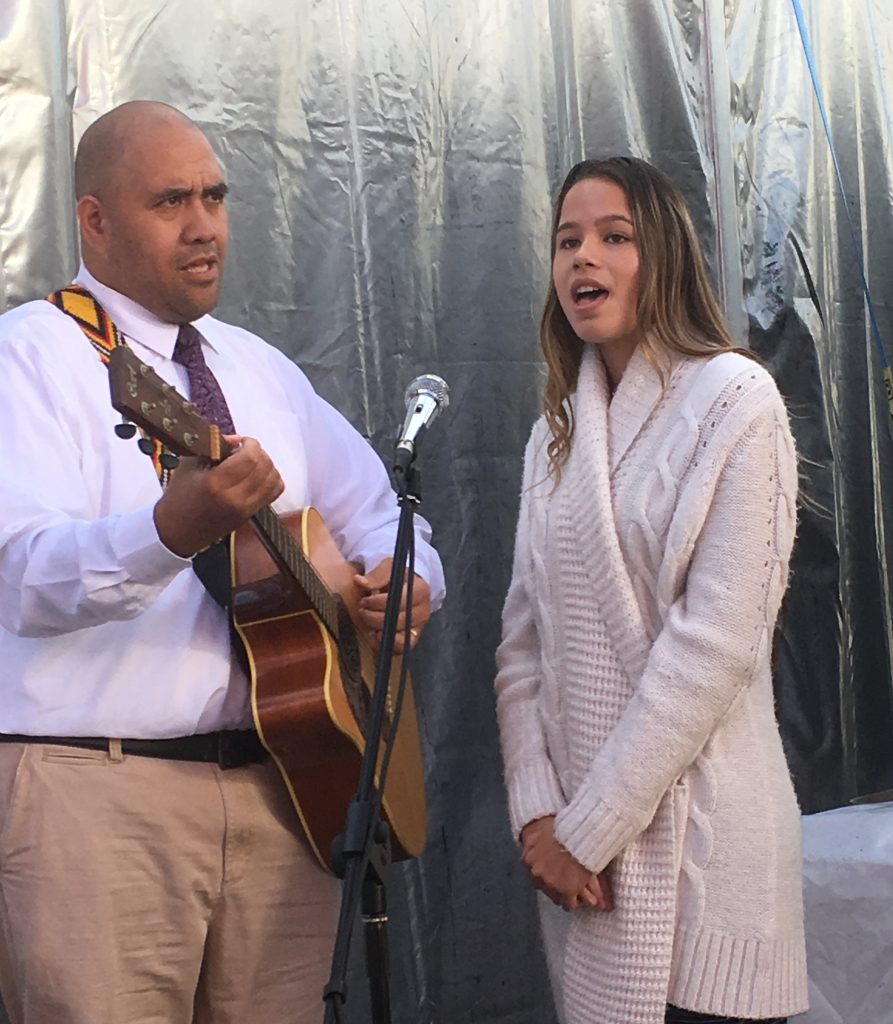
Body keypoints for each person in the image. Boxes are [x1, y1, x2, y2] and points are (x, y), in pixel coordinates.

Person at [0, 100, 445, 1024]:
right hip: (101, 796)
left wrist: (405, 584)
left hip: (288, 789)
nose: (204, 226)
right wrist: (171, 527)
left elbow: (381, 514)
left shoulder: (257, 368)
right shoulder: (29, 356)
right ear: (95, 220)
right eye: (171, 201)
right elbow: (23, 579)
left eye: (215, 196)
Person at [494, 157, 808, 1024]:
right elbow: (522, 643)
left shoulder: (735, 401)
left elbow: (715, 647)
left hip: (704, 860)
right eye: (566, 241)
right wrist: (535, 817)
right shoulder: (550, 439)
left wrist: (584, 830)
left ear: (661, 253)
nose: (581, 258)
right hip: (582, 875)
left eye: (612, 236)